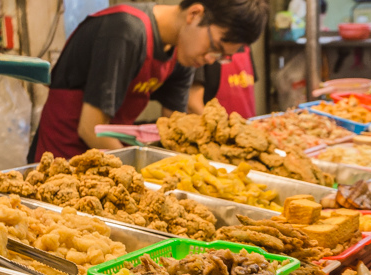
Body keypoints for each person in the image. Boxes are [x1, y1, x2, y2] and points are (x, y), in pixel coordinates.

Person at [29, 0, 269, 161]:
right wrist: (138, 174)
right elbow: (91, 128)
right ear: (195, 14)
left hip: (109, 155)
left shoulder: (182, 54)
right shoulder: (125, 31)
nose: (210, 59)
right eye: (214, 47)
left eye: (221, 57)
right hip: (61, 156)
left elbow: (175, 130)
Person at [188, 48, 257, 119]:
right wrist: (218, 127)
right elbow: (192, 104)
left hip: (248, 124)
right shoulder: (205, 50)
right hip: (217, 127)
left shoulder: (246, 45)